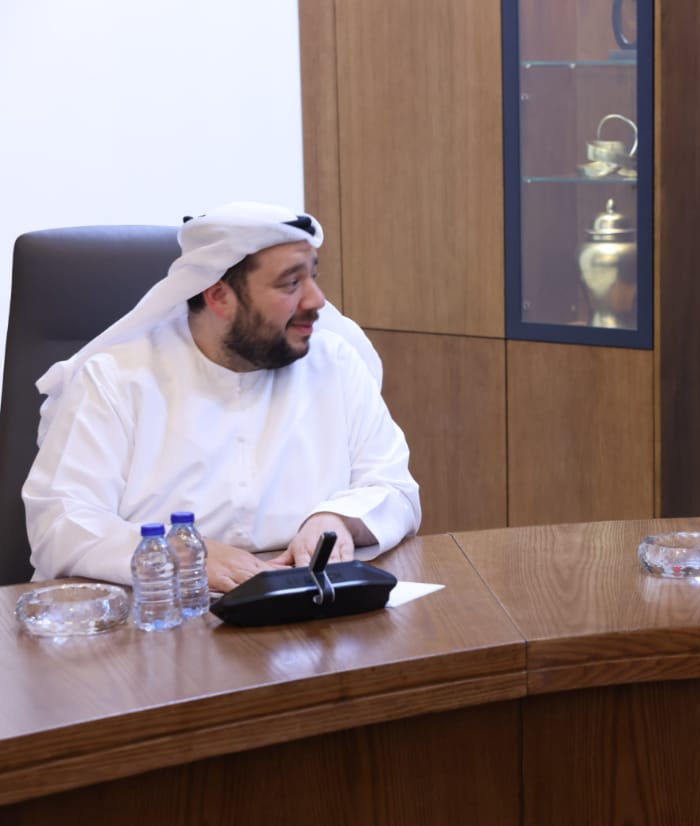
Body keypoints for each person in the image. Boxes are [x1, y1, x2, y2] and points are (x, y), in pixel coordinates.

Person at [24, 202, 422, 591]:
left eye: (313, 277)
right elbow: (60, 523)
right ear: (218, 297)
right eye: (291, 283)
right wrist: (179, 555)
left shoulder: (335, 362)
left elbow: (396, 489)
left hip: (305, 602)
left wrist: (337, 519)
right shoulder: (115, 379)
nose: (316, 300)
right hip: (158, 609)